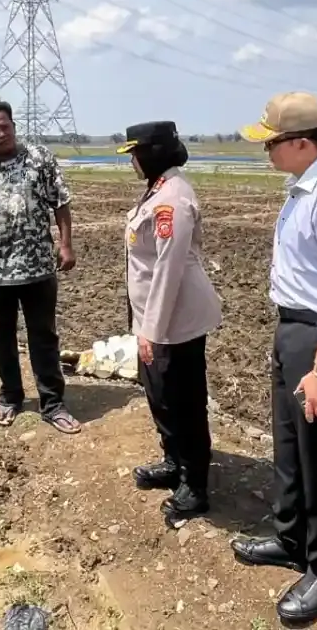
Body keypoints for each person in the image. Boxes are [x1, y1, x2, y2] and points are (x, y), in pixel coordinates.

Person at [230, 93, 317, 626]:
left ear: (300, 143)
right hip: (298, 328)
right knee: (290, 444)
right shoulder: (305, 187)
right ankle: (292, 538)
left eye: (271, 142)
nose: (266, 151)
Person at [119, 122, 222, 524]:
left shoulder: (173, 199)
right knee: (159, 392)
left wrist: (152, 331)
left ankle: (194, 483)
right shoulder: (159, 188)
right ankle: (173, 460)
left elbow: (169, 268)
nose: (131, 161)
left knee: (184, 399)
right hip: (155, 316)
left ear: (154, 153)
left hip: (176, 319)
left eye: (135, 153)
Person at [0, 99, 80, 435]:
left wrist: (65, 244)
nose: (1, 134)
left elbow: (61, 203)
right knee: (1, 338)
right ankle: (11, 395)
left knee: (43, 337)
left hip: (38, 267)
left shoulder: (40, 159)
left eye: (6, 127)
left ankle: (53, 403)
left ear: (13, 126)